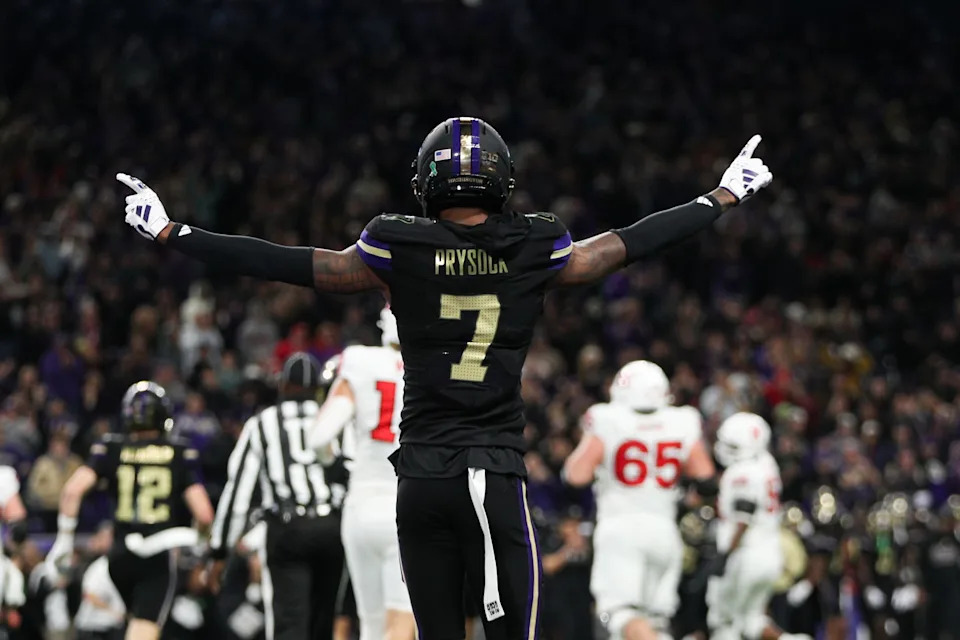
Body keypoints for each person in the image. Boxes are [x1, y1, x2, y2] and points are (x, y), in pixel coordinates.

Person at [118, 118, 774, 639]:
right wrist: (720, 197)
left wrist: (177, 232)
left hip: (419, 479)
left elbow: (289, 263)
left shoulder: (395, 242)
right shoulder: (533, 241)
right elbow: (624, 244)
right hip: (487, 471)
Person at [47, 381, 216, 640]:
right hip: (156, 556)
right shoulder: (178, 452)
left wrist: (64, 540)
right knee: (143, 630)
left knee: (135, 623)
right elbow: (204, 514)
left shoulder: (111, 448)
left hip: (119, 555)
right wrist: (201, 548)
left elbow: (72, 491)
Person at [563, 360, 716, 640]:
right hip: (664, 530)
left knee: (619, 613)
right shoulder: (681, 420)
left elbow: (577, 475)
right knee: (654, 621)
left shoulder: (608, 418)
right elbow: (705, 475)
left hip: (620, 528)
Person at [208, 352, 344, 640]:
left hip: (289, 528)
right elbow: (351, 472)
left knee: (288, 625)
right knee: (322, 624)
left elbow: (238, 494)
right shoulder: (335, 417)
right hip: (333, 527)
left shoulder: (263, 424)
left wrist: (220, 551)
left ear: (283, 385)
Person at [307, 306, 413, 640]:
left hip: (361, 504)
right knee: (399, 628)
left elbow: (320, 437)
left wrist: (331, 460)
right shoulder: (433, 367)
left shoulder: (359, 361)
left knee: (371, 626)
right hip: (407, 507)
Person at [707, 412, 810, 640]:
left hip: (745, 555)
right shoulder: (767, 463)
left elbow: (744, 516)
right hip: (770, 554)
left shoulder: (741, 472)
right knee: (751, 620)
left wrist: (724, 556)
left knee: (724, 622)